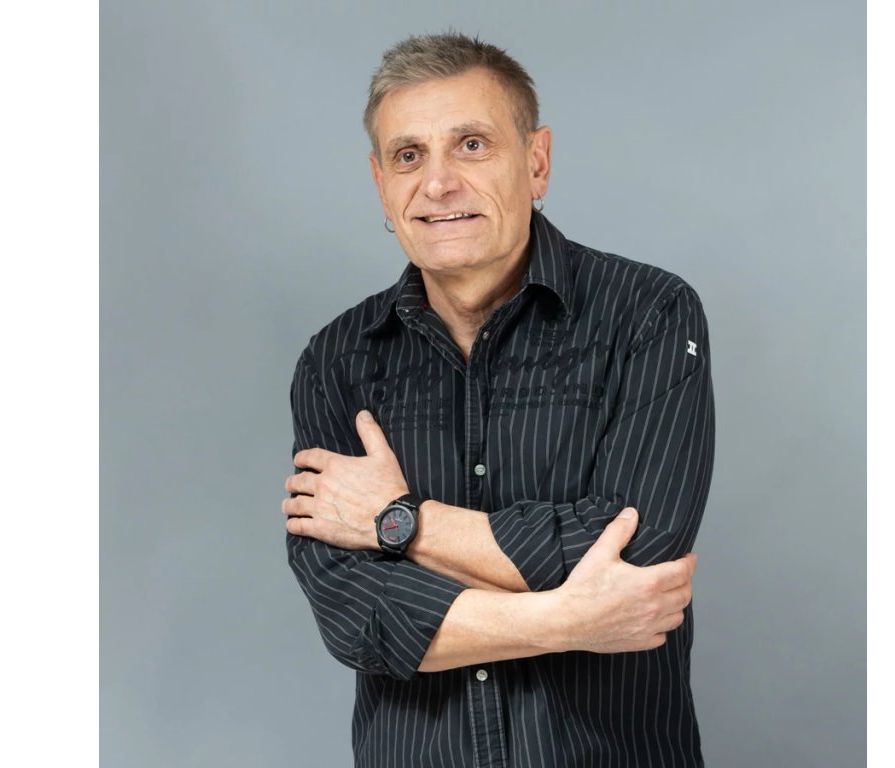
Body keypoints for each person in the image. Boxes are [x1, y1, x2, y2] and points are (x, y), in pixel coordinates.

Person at [283, 32, 715, 768]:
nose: (438, 183)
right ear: (381, 183)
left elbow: (638, 552)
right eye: (408, 155)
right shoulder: (335, 362)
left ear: (536, 162)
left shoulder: (649, 314)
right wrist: (569, 619)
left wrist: (398, 521)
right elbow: (358, 617)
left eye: (472, 145)